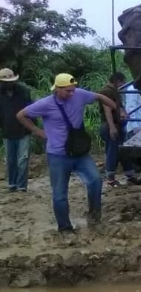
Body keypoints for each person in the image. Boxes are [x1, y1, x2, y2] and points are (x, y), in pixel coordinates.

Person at [16, 73, 117, 232]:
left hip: (79, 153)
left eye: (73, 90)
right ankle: (65, 228)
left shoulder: (79, 95)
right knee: (60, 193)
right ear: (57, 89)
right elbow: (21, 115)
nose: (71, 93)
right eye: (67, 91)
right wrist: (37, 131)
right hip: (58, 155)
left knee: (95, 180)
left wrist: (116, 107)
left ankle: (94, 216)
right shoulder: (45, 104)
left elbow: (99, 96)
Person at [98, 72, 140, 187]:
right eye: (122, 82)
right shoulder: (106, 92)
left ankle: (130, 175)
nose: (123, 84)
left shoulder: (114, 91)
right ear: (117, 81)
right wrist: (111, 127)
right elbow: (107, 110)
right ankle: (111, 179)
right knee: (113, 151)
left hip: (118, 125)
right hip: (111, 125)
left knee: (122, 151)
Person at [0, 68, 32, 192]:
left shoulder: (23, 91)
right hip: (7, 131)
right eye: (6, 81)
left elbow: (30, 110)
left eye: (11, 81)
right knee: (10, 160)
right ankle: (12, 184)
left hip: (24, 130)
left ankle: (22, 186)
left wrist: (31, 127)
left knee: (23, 159)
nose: (9, 83)